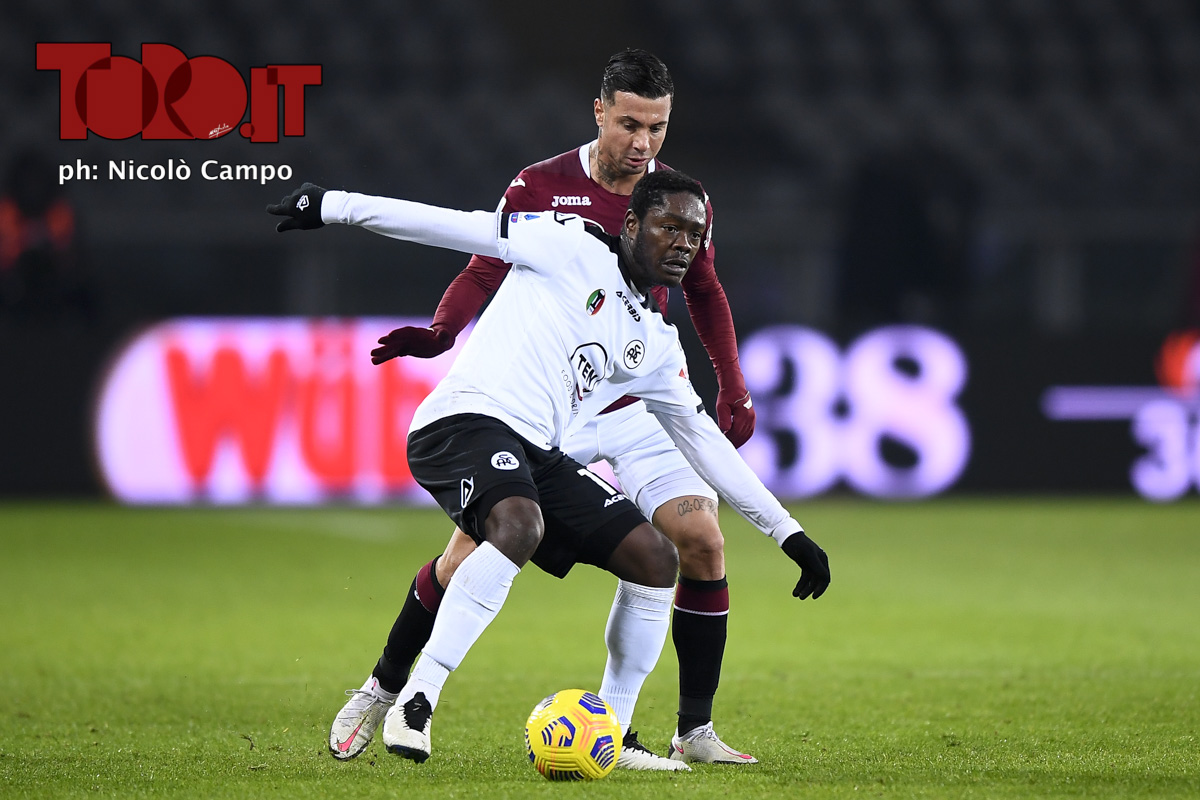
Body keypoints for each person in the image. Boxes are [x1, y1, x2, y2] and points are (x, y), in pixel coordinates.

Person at [266, 172, 831, 768]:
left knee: (654, 558)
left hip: (540, 448)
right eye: (669, 227)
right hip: (463, 421)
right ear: (632, 224)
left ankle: (612, 736)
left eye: (695, 234)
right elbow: (450, 226)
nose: (683, 244)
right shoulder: (567, 242)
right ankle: (413, 696)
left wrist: (788, 533)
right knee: (517, 525)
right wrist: (333, 206)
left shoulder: (656, 343)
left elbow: (705, 442)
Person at [351, 48, 761, 767]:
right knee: (471, 552)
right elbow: (486, 263)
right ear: (599, 112)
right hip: (553, 406)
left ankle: (683, 731)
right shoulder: (540, 185)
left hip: (631, 404)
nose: (643, 143)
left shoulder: (674, 198)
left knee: (698, 541)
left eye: (658, 128)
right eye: (630, 124)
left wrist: (732, 382)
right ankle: (383, 687)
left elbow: (704, 287)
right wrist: (444, 330)